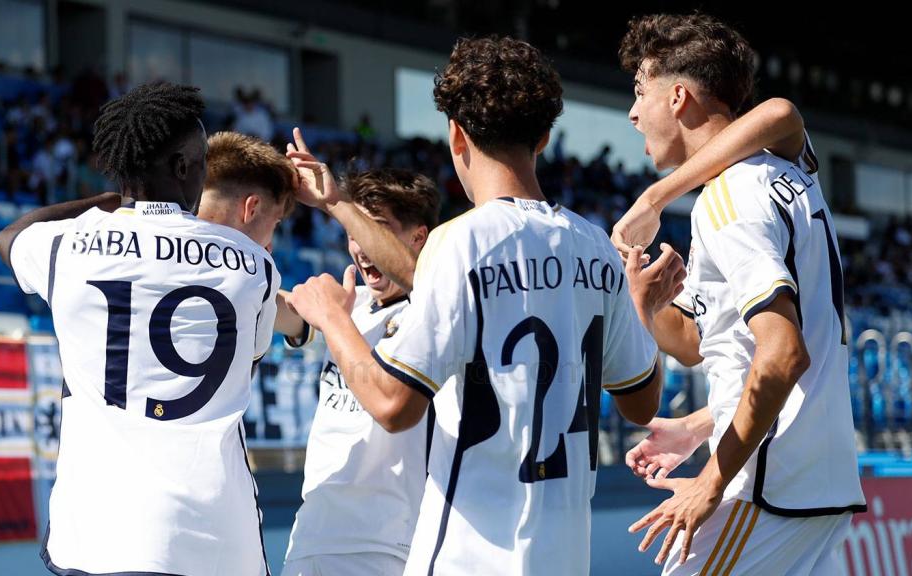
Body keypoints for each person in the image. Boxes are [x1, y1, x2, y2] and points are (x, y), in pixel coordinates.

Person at [285, 36, 680, 574]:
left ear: (456, 134)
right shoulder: (597, 249)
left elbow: (394, 406)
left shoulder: (458, 241)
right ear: (543, 138)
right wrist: (640, 306)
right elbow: (640, 404)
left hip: (467, 556)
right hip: (564, 557)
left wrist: (333, 317)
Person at [617, 13, 866, 574]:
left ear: (678, 96)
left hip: (765, 489)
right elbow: (698, 345)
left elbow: (783, 354)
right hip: (810, 487)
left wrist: (711, 480)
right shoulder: (783, 173)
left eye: (640, 91)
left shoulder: (728, 197)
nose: (632, 113)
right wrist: (697, 424)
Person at [0, 81, 277, 576]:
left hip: (102, 531)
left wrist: (109, 202)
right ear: (184, 168)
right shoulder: (255, 265)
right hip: (217, 535)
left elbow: (11, 237)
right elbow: (247, 361)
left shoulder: (68, 244)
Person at [281, 168, 440, 576]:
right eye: (354, 231)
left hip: (386, 546)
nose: (361, 246)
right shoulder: (351, 304)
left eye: (376, 228)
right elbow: (276, 310)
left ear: (417, 238)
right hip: (310, 536)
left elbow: (391, 410)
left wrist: (334, 318)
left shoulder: (435, 310)